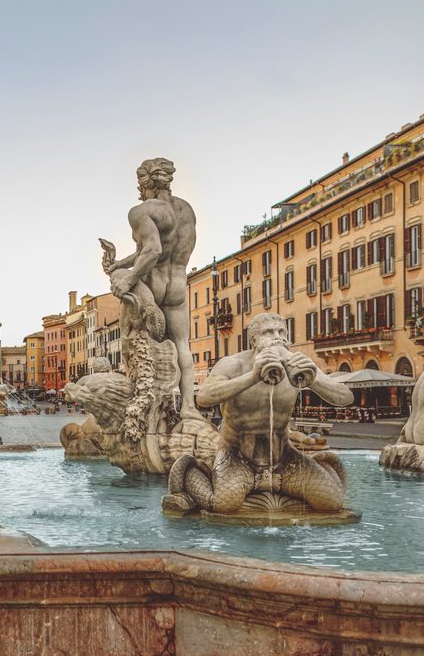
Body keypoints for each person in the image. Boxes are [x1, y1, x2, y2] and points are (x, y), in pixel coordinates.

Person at [187, 313, 353, 512]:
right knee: (225, 504)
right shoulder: (234, 364)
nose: (278, 337)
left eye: (282, 331)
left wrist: (313, 379)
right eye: (268, 332)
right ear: (254, 340)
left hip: (283, 458)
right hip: (236, 455)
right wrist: (253, 376)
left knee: (332, 502)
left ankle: (316, 470)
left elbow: (345, 397)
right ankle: (193, 473)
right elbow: (204, 397)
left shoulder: (298, 363)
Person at [102, 158, 200, 417]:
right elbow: (149, 251)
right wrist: (118, 264)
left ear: (144, 183)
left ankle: (139, 398)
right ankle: (189, 407)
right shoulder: (186, 211)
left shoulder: (141, 211)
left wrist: (126, 278)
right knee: (182, 344)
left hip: (153, 285)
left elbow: (153, 250)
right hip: (178, 285)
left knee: (130, 337)